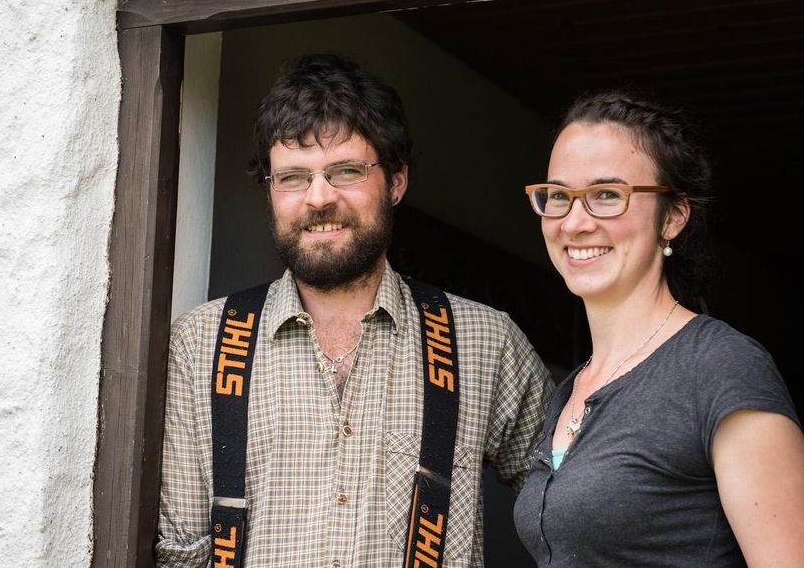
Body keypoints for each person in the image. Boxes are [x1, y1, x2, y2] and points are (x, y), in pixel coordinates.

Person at [156, 54, 553, 568]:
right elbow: (179, 555)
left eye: (346, 171)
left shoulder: (485, 341)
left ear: (396, 181)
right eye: (293, 177)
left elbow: (577, 515)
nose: (319, 198)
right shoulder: (200, 344)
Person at [513, 92, 804, 567]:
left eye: (607, 195)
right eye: (559, 196)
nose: (575, 222)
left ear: (672, 217)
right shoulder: (573, 389)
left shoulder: (719, 367)